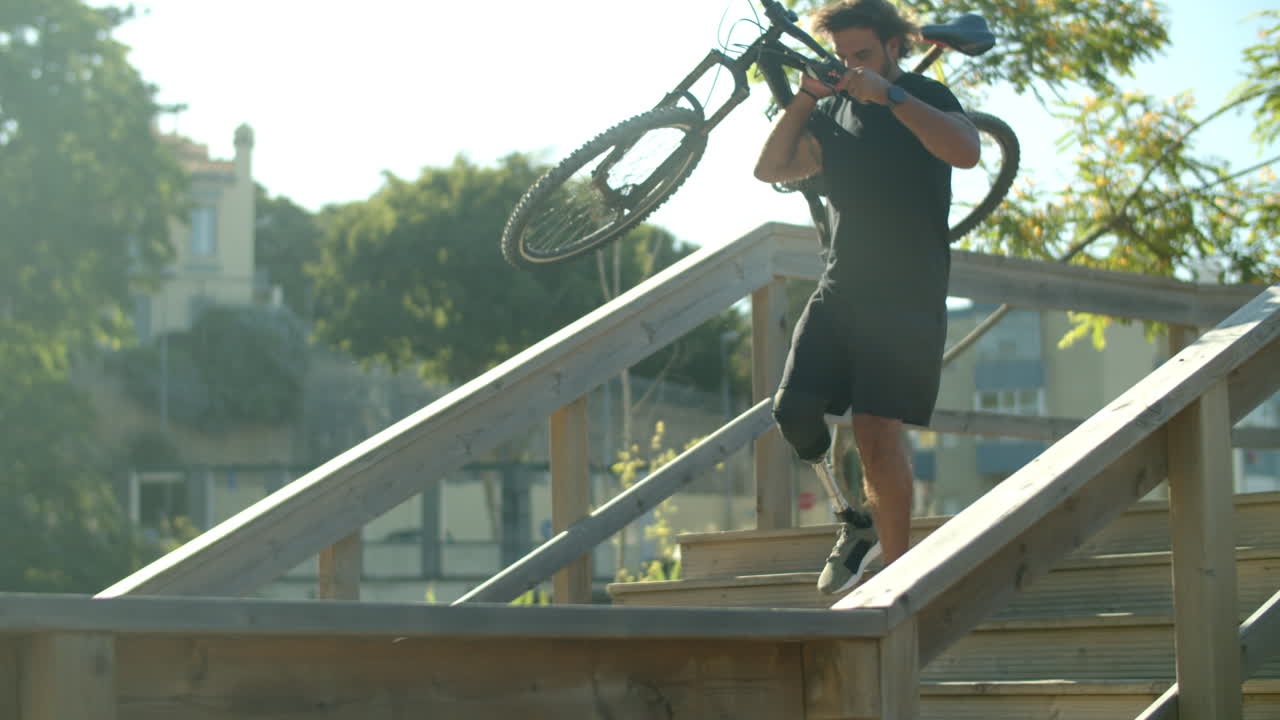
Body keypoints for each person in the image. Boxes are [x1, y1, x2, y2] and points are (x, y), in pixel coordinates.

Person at [753, 0, 979, 595]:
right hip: (842, 286)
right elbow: (771, 169)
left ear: (892, 49)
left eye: (864, 55)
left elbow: (966, 150)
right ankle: (853, 525)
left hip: (907, 293)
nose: (853, 66)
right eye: (844, 56)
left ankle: (898, 575)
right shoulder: (832, 113)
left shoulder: (926, 97)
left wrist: (892, 97)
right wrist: (805, 97)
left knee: (878, 432)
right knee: (792, 412)